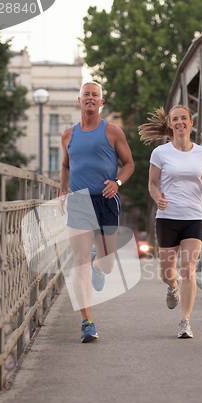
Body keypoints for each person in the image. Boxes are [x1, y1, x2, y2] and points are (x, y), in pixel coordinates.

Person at [60, 82, 134, 343]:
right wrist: (62, 189)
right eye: (86, 95)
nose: (91, 98)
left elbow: (129, 164)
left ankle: (98, 265)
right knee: (79, 261)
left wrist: (118, 183)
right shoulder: (68, 135)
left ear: (101, 102)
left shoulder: (112, 131)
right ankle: (87, 323)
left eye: (96, 95)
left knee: (107, 264)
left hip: (106, 200)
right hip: (79, 201)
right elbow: (66, 166)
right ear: (79, 100)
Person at [138, 106, 202, 338]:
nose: (180, 122)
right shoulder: (160, 153)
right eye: (175, 119)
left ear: (191, 122)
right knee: (166, 273)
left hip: (194, 217)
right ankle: (172, 287)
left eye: (184, 118)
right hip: (167, 218)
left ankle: (185, 321)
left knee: (188, 270)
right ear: (170, 125)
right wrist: (157, 198)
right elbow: (153, 183)